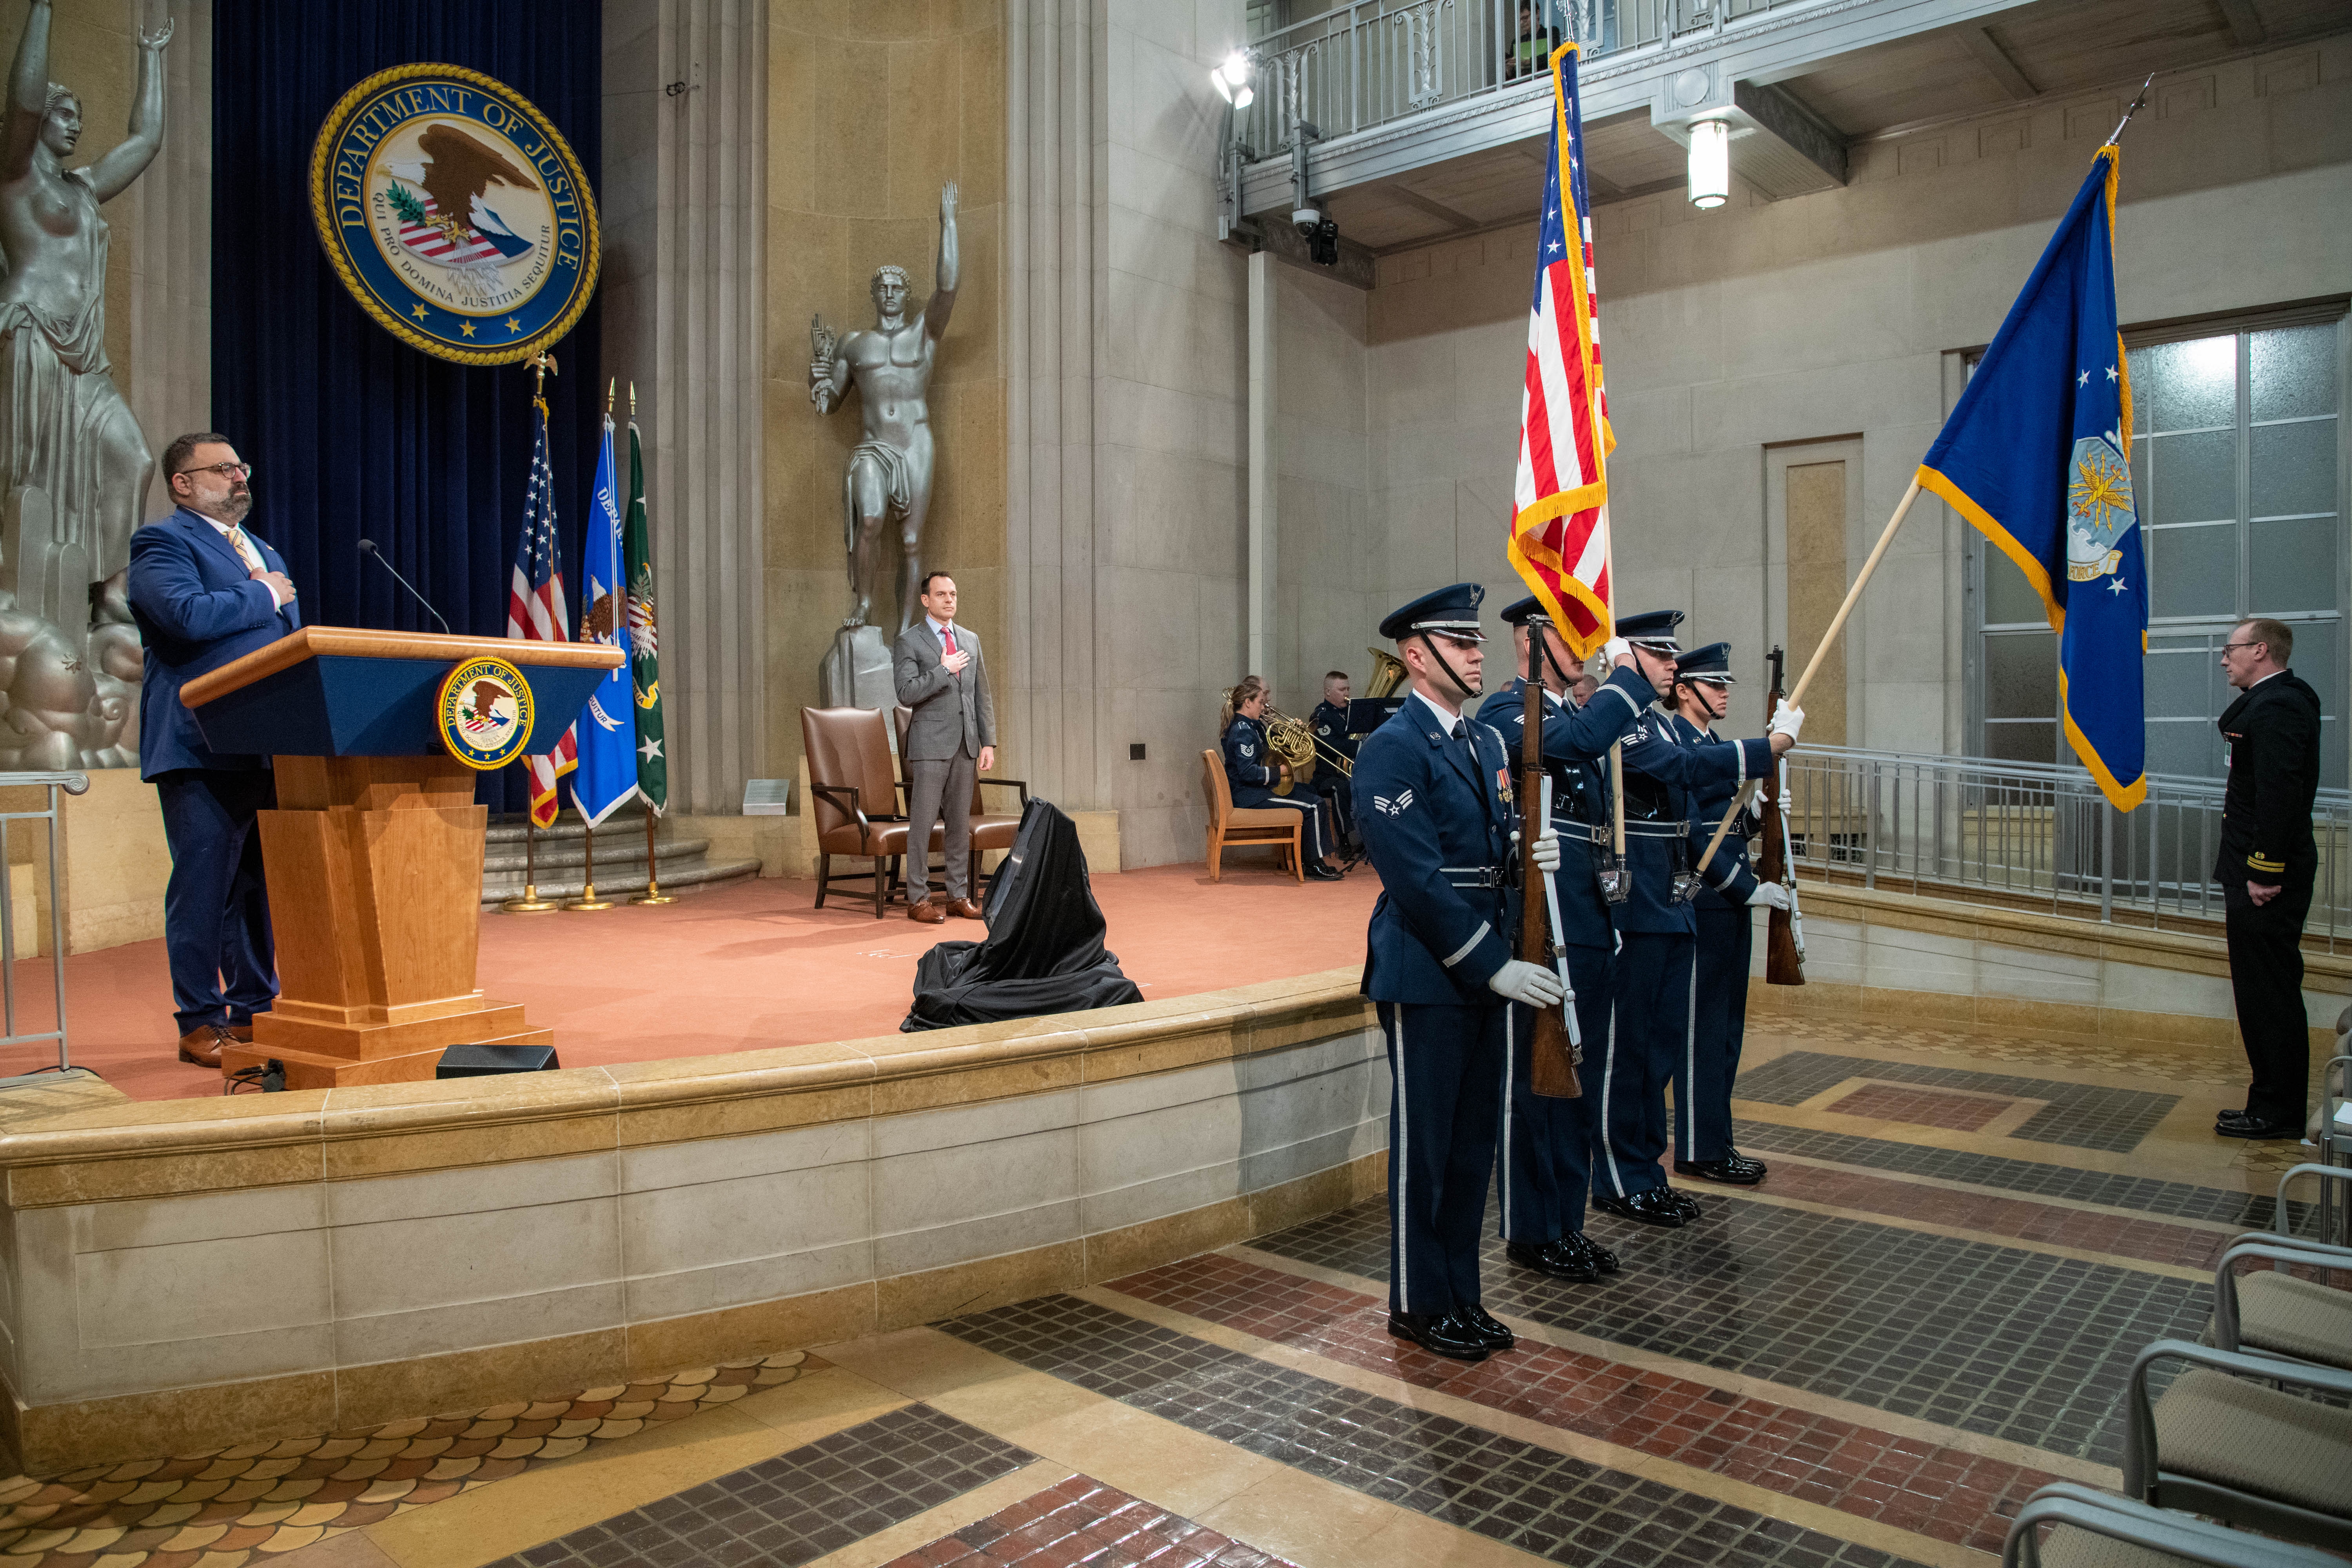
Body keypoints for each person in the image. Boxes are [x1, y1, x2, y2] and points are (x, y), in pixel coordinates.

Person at [1354, 583, 1561, 1363]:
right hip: (1427, 970)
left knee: (1473, 1143)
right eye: (1460, 641)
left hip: (1486, 959)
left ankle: (1461, 1295)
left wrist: (1529, 857)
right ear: (1417, 655)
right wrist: (1492, 961)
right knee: (1427, 1145)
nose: (1478, 652)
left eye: (1477, 640)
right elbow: (1416, 878)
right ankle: (1416, 1301)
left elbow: (1487, 846)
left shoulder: (1482, 743)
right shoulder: (1394, 746)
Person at [1591, 612, 1800, 1229]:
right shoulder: (1628, 726)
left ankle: (1646, 1170)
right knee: (1643, 1050)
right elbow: (1681, 779)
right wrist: (1770, 749)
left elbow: (1695, 814)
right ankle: (1628, 1174)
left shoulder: (1658, 728)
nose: (1674, 668)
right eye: (1661, 657)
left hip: (1673, 901)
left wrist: (1761, 807)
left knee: (1665, 1048)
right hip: (1646, 903)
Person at [1477, 595, 1651, 1283]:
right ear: (1532, 639)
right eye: (1571, 634)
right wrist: (1627, 682)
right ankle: (1531, 1227)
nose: (1586, 646)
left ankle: (1566, 1222)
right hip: (1540, 923)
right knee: (1535, 1084)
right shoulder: (1506, 712)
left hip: (1585, 919)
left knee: (1575, 1078)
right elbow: (1574, 747)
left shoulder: (1571, 714)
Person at [125, 433, 298, 1068]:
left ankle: (254, 1009)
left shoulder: (264, 550)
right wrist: (264, 594)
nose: (238, 477)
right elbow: (185, 616)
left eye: (241, 467)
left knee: (256, 886)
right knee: (203, 886)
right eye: (223, 469)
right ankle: (199, 1018)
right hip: (199, 742)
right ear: (183, 483)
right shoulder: (163, 543)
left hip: (266, 742)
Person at [1663, 643, 1791, 1186]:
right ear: (1684, 690)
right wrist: (1746, 888)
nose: (1724, 693)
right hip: (1707, 902)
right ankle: (1698, 1147)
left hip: (1728, 906)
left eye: (1726, 685)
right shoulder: (1680, 745)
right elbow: (1692, 832)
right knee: (1703, 1030)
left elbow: (1724, 826)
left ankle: (1717, 1140)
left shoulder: (1711, 743)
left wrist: (1760, 817)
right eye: (1713, 686)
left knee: (1727, 1032)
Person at [2212, 618, 2322, 1141]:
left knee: (2270, 994)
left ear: (2261, 650)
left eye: (2230, 649)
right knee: (2259, 994)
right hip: (2254, 868)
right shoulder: (2273, 700)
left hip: (2266, 876)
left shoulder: (2279, 706)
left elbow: (2280, 796)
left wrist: (2263, 870)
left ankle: (2278, 1112)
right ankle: (2266, 1102)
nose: (2223, 659)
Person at [892, 572, 996, 924]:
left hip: (966, 744)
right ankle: (918, 899)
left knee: (958, 823)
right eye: (941, 594)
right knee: (922, 823)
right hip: (930, 744)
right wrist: (942, 670)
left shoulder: (970, 639)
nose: (949, 600)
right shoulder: (910, 641)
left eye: (953, 594)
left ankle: (958, 895)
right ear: (926, 600)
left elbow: (982, 695)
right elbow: (906, 693)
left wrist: (988, 742)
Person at [1220, 676, 1343, 882]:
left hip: (1257, 790)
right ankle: (1315, 863)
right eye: (1261, 702)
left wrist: (1293, 732)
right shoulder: (1243, 732)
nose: (1265, 706)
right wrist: (1281, 772)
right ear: (1248, 703)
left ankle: (1303, 858)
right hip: (1250, 795)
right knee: (1314, 805)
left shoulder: (1251, 725)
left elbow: (1269, 751)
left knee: (1311, 792)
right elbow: (1248, 773)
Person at [1308, 670, 1359, 851]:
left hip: (1349, 772)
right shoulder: (1321, 716)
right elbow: (1332, 745)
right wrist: (1360, 746)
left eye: (1348, 689)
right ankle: (1345, 841)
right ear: (1328, 692)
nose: (1346, 694)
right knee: (1341, 787)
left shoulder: (1350, 712)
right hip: (1326, 776)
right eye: (1341, 690)